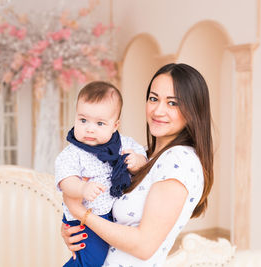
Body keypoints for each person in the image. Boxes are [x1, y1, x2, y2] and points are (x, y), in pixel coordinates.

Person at [61, 63, 214, 267]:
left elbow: (144, 246)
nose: (158, 110)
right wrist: (77, 231)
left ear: (193, 110)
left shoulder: (179, 161)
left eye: (172, 103)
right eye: (153, 99)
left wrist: (82, 214)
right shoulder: (144, 156)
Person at [55, 81, 147, 267]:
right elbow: (66, 181)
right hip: (85, 218)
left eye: (99, 123)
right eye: (83, 120)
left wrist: (136, 161)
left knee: (102, 259)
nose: (90, 128)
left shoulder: (123, 143)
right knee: (91, 262)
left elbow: (144, 160)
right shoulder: (73, 153)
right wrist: (82, 187)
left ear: (115, 125)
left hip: (108, 217)